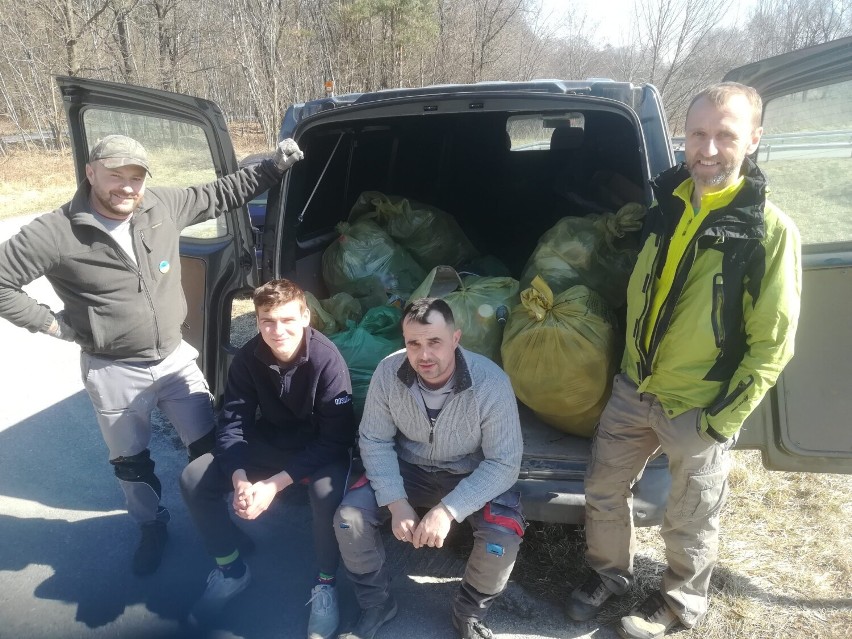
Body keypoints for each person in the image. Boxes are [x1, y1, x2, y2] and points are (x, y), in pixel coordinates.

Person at [0, 134, 303, 576]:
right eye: (116, 175)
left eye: (136, 177)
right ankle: (150, 526)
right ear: (90, 172)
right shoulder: (55, 231)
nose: (127, 186)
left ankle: (216, 520)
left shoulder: (160, 205)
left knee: (209, 447)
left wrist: (272, 167)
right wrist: (55, 325)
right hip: (112, 368)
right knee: (131, 462)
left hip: (175, 359)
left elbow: (222, 193)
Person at [566, 82, 802, 639]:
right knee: (602, 490)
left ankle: (678, 607)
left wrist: (723, 419)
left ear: (754, 139)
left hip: (699, 403)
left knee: (690, 516)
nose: (709, 149)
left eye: (726, 135)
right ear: (684, 137)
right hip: (634, 388)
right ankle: (610, 576)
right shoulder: (667, 206)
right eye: (698, 134)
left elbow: (775, 343)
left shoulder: (768, 231)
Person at [334, 297, 525, 639]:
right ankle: (375, 603)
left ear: (455, 339)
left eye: (435, 342)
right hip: (410, 468)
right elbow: (374, 440)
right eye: (414, 343)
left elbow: (505, 462)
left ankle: (468, 614)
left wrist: (449, 510)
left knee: (502, 537)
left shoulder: (491, 382)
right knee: (349, 521)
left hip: (469, 471)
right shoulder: (387, 373)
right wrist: (396, 501)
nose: (424, 355)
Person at [180, 279, 357, 636]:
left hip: (320, 448)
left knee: (326, 493)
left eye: (288, 320)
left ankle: (324, 583)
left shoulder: (327, 360)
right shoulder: (248, 358)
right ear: (257, 320)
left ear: (306, 316)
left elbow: (336, 438)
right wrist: (241, 479)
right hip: (272, 440)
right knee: (193, 478)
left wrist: (275, 485)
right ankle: (231, 570)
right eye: (267, 321)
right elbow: (232, 423)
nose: (278, 331)